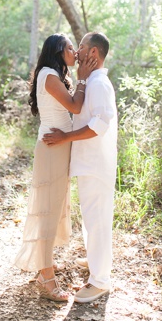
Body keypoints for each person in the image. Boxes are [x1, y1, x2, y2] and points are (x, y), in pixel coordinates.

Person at [13, 33, 96, 302]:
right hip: (52, 148)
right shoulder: (49, 75)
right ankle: (46, 277)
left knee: (56, 205)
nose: (75, 52)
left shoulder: (54, 75)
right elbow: (75, 105)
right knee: (47, 209)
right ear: (58, 51)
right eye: (71, 48)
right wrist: (83, 77)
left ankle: (44, 261)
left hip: (58, 147)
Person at [43, 31, 118, 303]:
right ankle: (98, 269)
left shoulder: (98, 84)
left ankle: (100, 282)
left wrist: (66, 137)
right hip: (90, 164)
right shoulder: (92, 81)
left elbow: (100, 125)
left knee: (97, 222)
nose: (77, 53)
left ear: (93, 54)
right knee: (92, 221)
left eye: (82, 47)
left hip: (96, 164)